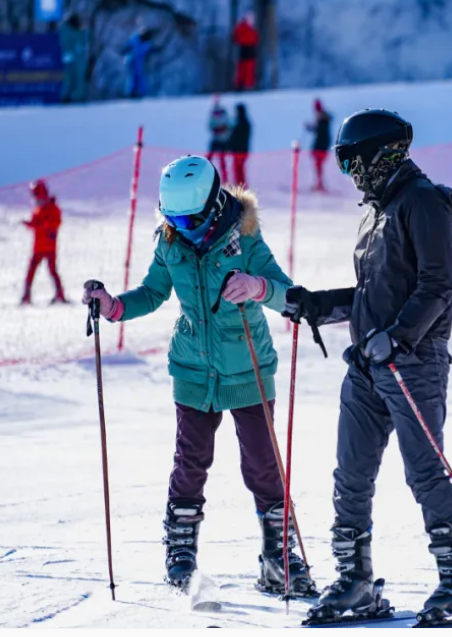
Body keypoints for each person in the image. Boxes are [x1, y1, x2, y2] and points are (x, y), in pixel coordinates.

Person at [80, 155, 315, 596]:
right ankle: (181, 553)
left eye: (189, 218)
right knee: (191, 463)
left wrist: (257, 287)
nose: (181, 227)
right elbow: (152, 293)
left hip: (247, 363)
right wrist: (112, 306)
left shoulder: (245, 239)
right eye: (173, 218)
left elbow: (287, 293)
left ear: (211, 205)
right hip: (193, 368)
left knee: (264, 466)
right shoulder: (170, 242)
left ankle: (278, 558)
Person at [281, 109, 452, 623]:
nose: (350, 174)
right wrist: (318, 304)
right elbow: (374, 294)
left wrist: (400, 336)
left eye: (352, 161)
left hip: (413, 363)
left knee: (425, 473)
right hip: (370, 363)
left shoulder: (424, 203)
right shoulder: (377, 210)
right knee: (351, 475)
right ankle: (355, 581)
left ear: (380, 154)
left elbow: (439, 285)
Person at [21, 179, 67, 305]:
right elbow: (36, 224)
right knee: (31, 271)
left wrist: (42, 226)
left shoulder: (53, 209)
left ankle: (60, 295)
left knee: (52, 270)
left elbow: (54, 224)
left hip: (49, 247)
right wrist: (29, 224)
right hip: (38, 247)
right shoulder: (38, 210)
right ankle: (26, 296)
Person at [58, 12, 88, 103]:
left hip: (68, 58)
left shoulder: (64, 30)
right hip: (75, 58)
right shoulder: (77, 33)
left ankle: (67, 95)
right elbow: (82, 41)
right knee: (76, 79)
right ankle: (74, 96)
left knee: (69, 79)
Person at [306, 99, 332, 192]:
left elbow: (320, 132)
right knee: (318, 166)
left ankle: (320, 184)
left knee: (318, 165)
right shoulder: (323, 119)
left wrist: (312, 128)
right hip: (322, 146)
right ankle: (319, 183)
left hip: (321, 147)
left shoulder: (322, 120)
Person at [123, 26, 155, 98]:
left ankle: (141, 93)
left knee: (140, 77)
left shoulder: (147, 43)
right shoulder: (134, 39)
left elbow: (151, 49)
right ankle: (131, 93)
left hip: (139, 62)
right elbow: (126, 46)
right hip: (132, 60)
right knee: (132, 77)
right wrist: (126, 50)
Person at [206, 96, 231, 184]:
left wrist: (221, 129)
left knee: (222, 161)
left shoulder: (224, 115)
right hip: (216, 141)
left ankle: (225, 180)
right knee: (208, 160)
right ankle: (204, 176)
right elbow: (210, 126)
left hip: (222, 141)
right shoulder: (213, 115)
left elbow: (228, 126)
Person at [232, 12, 259, 91]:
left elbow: (236, 38)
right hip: (246, 51)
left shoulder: (244, 28)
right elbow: (255, 39)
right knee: (246, 68)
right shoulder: (245, 28)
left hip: (247, 51)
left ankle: (244, 84)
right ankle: (246, 85)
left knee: (246, 68)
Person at [228, 103, 251, 187]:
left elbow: (237, 137)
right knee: (238, 169)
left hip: (240, 150)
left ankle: (241, 186)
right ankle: (240, 185)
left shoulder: (242, 123)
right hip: (240, 150)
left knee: (239, 169)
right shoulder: (241, 122)